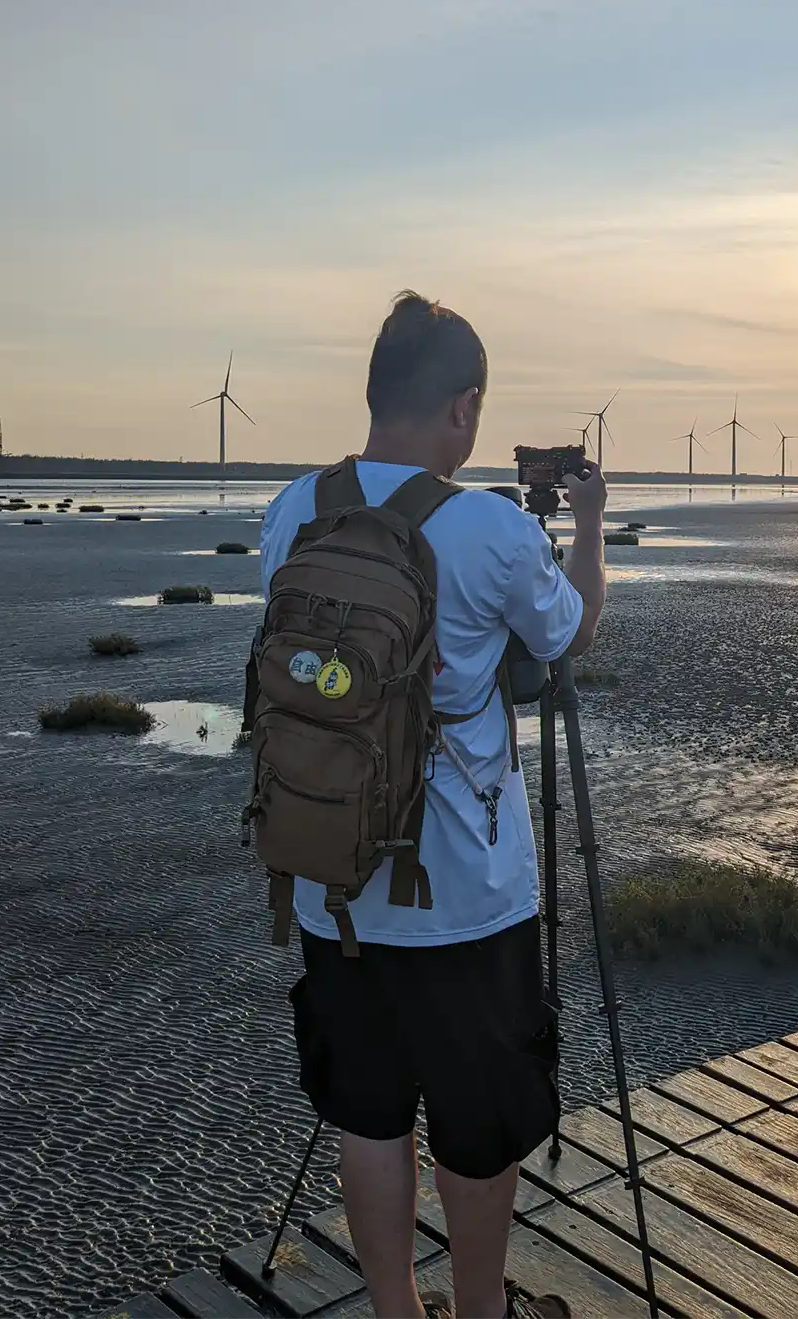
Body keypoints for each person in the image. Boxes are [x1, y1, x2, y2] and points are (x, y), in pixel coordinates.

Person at [259, 292, 607, 1319]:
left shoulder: (294, 508)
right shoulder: (490, 526)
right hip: (467, 897)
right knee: (475, 1126)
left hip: (332, 881)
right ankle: (484, 1311)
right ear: (463, 407)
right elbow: (568, 635)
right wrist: (585, 526)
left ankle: (394, 1314)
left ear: (374, 394)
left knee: (367, 1117)